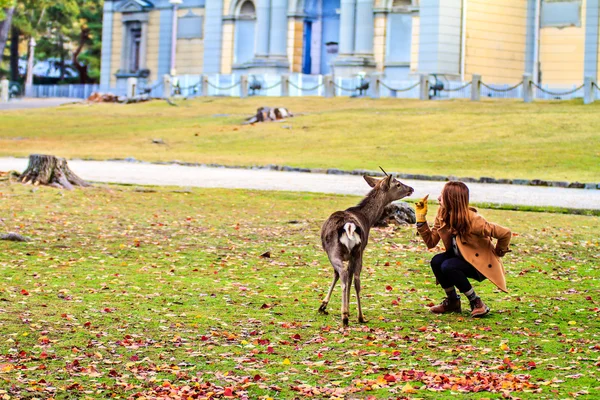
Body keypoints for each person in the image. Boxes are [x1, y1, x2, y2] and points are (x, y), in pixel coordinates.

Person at [414, 181, 512, 317]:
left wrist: (499, 251)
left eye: (442, 196)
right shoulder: (443, 214)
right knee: (437, 261)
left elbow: (505, 233)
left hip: (479, 264)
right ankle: (453, 302)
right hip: (459, 258)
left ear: (452, 199)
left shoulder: (474, 220)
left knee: (448, 265)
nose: (438, 198)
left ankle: (477, 302)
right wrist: (421, 219)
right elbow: (431, 242)